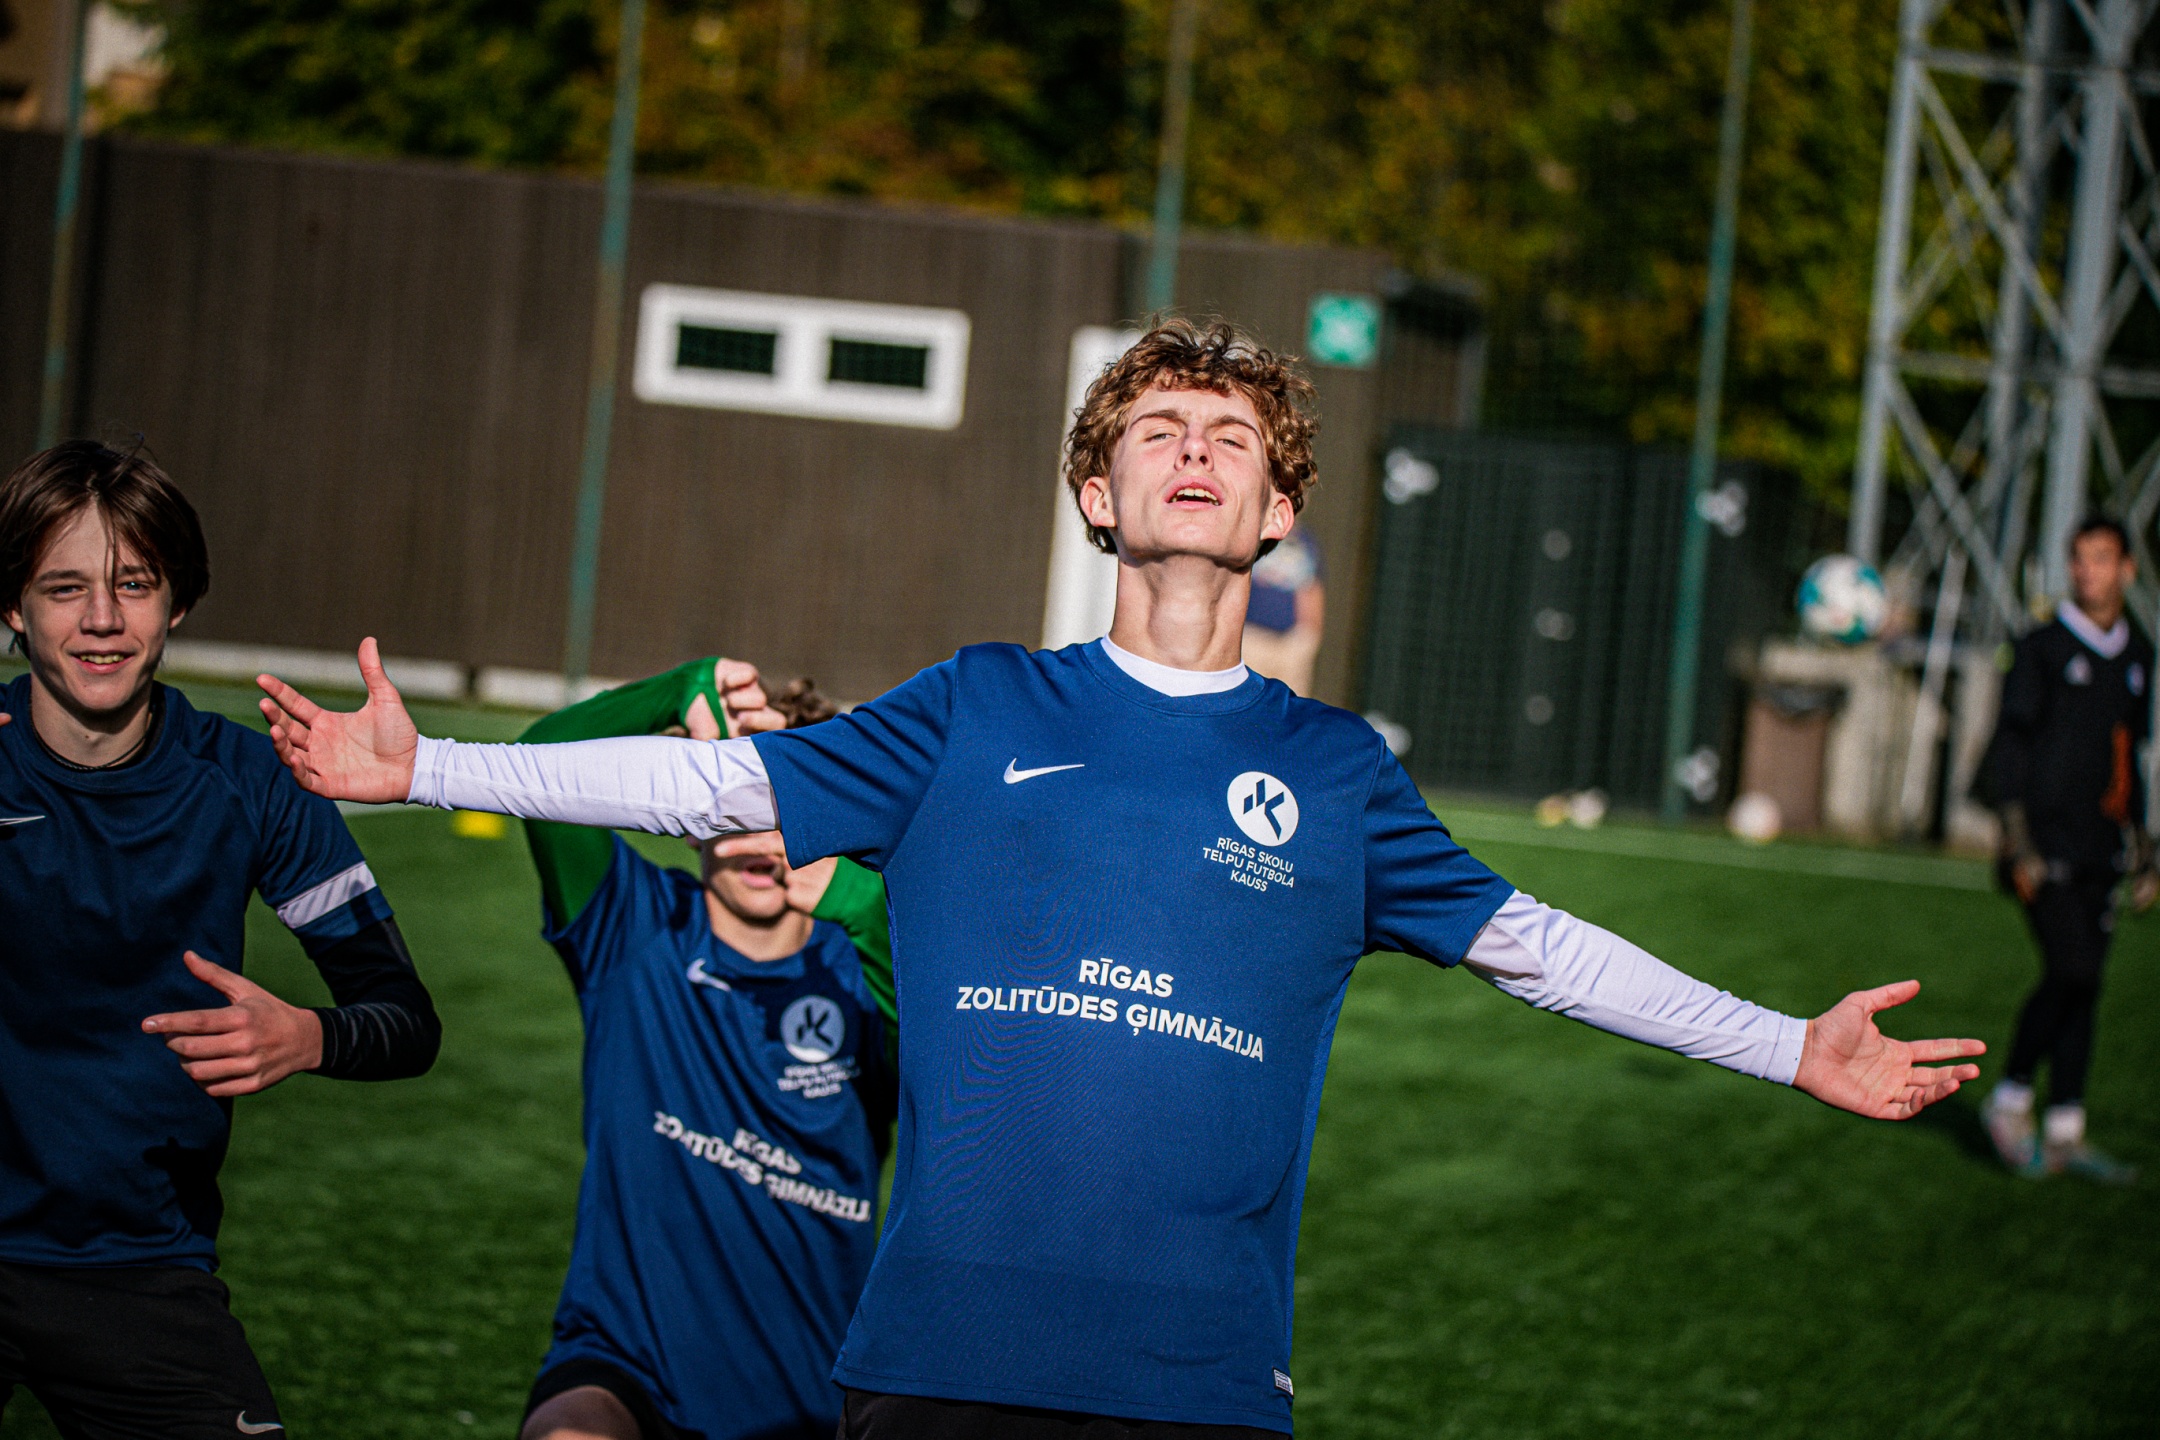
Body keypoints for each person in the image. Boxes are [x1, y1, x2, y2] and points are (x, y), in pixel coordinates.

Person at [259, 320, 1983, 1439]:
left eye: (1234, 436)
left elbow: (1542, 949)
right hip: (934, 1366)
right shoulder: (974, 704)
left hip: (1196, 1384)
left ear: (1277, 512)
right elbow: (711, 781)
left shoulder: (1338, 776)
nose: (1196, 451)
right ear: (1098, 491)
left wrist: (1787, 1044)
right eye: (1159, 429)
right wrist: (430, 769)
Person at [0, 441, 440, 1437]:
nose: (102, 619)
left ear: (180, 602)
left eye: (135, 585)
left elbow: (406, 1018)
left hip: (141, 1268)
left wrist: (308, 1037)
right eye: (64, 587)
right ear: (13, 608)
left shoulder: (251, 783)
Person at [512, 658, 895, 1440]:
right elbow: (541, 765)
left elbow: (946, 1066)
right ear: (689, 813)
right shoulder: (634, 925)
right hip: (626, 1361)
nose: (759, 829)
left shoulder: (867, 965)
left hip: (806, 1388)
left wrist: (867, 904)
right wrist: (676, 693)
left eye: (786, 800)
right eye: (733, 794)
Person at [1979, 516, 2154, 1184]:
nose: (2087, 571)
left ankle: (2065, 1132)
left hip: (2100, 848)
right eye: (2078, 559)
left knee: (2088, 988)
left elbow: (2133, 757)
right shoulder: (2041, 647)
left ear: (2127, 569)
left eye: (2101, 559)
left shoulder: (2139, 654)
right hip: (2042, 847)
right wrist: (2017, 840)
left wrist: (2145, 849)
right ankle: (2008, 1101)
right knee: (2072, 969)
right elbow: (2010, 744)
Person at [1239, 520, 1324, 696]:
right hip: (1250, 640)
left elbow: (1311, 590)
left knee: (1288, 706)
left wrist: (1308, 637)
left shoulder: (1305, 542)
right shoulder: (1252, 532)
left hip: (1288, 646)